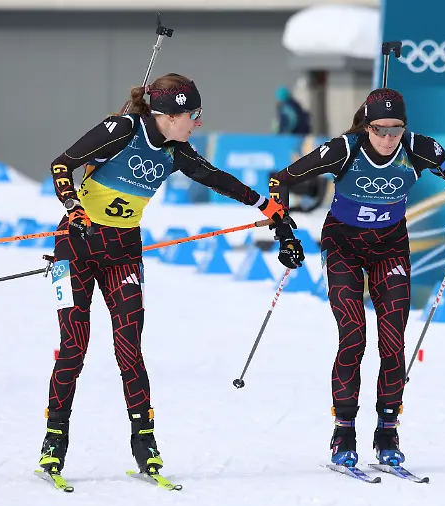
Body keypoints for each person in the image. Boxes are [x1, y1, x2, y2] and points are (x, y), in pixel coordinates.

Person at [39, 73, 286, 479]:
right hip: (76, 247)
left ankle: (144, 442)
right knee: (74, 347)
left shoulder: (176, 151)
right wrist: (73, 206)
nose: (197, 123)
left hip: (122, 253)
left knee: (129, 349)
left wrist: (267, 206)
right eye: (194, 114)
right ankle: (54, 439)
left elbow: (217, 178)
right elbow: (61, 164)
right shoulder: (122, 129)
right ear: (171, 114)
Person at [267, 88, 445, 468]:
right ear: (367, 124)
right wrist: (285, 234)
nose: (389, 139)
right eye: (380, 130)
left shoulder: (418, 147)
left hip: (390, 248)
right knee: (353, 336)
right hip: (343, 246)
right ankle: (344, 430)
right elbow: (280, 181)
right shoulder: (344, 149)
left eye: (396, 129)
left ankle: (387, 430)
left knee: (393, 342)